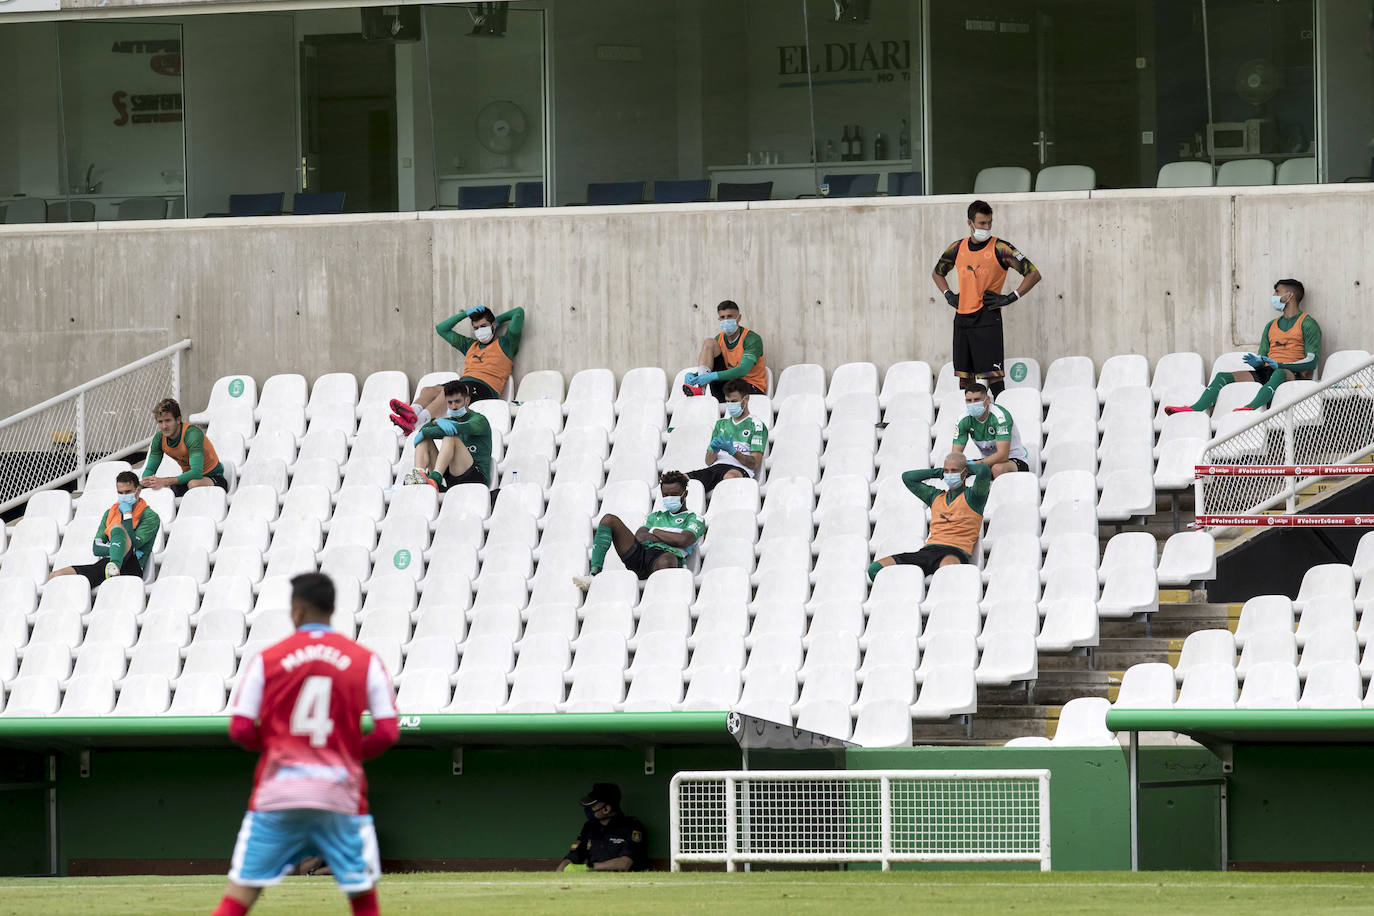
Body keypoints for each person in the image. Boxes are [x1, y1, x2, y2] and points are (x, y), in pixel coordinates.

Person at [210, 573, 398, 916]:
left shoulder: (266, 660)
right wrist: (349, 754)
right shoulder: (364, 660)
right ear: (333, 608)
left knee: (237, 899)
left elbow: (238, 728)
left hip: (278, 794)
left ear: (295, 611)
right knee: (363, 901)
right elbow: (387, 731)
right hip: (339, 793)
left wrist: (272, 746)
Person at [931, 200, 1042, 398]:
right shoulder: (957, 248)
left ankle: (1003, 421)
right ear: (970, 223)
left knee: (994, 378)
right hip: (962, 320)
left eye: (990, 223)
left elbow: (1033, 274)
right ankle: (972, 423)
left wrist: (1010, 297)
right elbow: (937, 273)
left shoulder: (1001, 248)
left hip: (987, 319)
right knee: (965, 380)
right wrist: (948, 295)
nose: (987, 227)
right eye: (982, 223)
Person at [1165, 279, 1321, 415]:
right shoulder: (1270, 326)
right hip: (1268, 372)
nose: (1274, 296)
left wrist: (1279, 364)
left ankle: (1251, 408)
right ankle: (1195, 408)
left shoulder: (1307, 323)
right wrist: (1258, 363)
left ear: (1289, 296)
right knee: (1222, 376)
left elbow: (1312, 362)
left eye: (1277, 291)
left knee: (1279, 372)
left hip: (1292, 375)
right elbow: (1262, 356)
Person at [390, 305, 524, 433]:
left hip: (486, 389)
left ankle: (416, 423)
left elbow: (518, 312)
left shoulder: (506, 344)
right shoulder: (470, 345)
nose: (480, 331)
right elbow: (441, 329)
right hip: (464, 384)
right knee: (428, 390)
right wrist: (465, 314)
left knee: (450, 392)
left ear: (493, 326)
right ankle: (411, 413)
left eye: (483, 326)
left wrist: (497, 320)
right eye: (476, 328)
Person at [573, 471, 704, 590]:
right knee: (609, 520)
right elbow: (640, 536)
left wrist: (655, 531)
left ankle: (658, 596)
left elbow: (684, 540)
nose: (669, 498)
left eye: (674, 494)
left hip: (665, 558)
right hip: (641, 554)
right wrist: (671, 537)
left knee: (668, 559)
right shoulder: (655, 516)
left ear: (685, 494)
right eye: (665, 495)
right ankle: (594, 575)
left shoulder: (694, 517)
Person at [868, 455, 992, 580]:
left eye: (954, 471)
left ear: (964, 473)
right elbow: (908, 478)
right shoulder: (935, 496)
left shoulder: (974, 497)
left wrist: (965, 466)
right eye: (946, 471)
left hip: (955, 551)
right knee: (875, 569)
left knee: (948, 571)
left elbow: (984, 470)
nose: (949, 475)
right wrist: (938, 472)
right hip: (928, 551)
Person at [48, 471, 160, 587]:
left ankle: (114, 569)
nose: (124, 496)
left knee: (117, 527)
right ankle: (113, 569)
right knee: (55, 576)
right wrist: (117, 548)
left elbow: (134, 544)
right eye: (120, 493)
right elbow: (96, 548)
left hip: (132, 566)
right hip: (107, 564)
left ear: (138, 490)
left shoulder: (150, 516)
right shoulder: (110, 513)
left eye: (128, 492)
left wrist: (127, 515)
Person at [401, 380, 492, 492]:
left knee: (450, 437)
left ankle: (436, 477)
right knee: (425, 440)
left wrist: (429, 429)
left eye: (457, 401)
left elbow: (457, 429)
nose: (453, 407)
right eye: (450, 402)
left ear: (467, 400)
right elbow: (426, 428)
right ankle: (419, 474)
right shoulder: (448, 421)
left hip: (476, 477)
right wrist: (435, 422)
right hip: (452, 475)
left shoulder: (479, 420)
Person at [686, 380, 768, 494]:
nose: (730, 405)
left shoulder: (757, 426)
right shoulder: (720, 424)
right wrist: (713, 450)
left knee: (729, 478)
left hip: (739, 469)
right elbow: (708, 462)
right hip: (715, 468)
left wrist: (733, 451)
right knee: (679, 479)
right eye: (728, 402)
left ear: (746, 398)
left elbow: (754, 463)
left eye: (734, 401)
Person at [682, 300, 768, 401]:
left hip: (750, 388)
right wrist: (695, 376)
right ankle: (701, 389)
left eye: (730, 316)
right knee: (709, 343)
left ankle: (701, 389)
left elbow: (743, 370)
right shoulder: (719, 339)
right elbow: (711, 368)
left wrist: (712, 376)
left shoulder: (751, 338)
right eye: (722, 317)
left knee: (719, 378)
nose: (726, 320)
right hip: (728, 386)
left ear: (739, 318)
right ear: (718, 318)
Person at [140, 398, 228, 494]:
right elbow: (150, 469)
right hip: (188, 479)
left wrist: (165, 481)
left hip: (214, 478)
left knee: (193, 484)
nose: (164, 426)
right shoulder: (159, 438)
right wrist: (146, 482)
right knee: (157, 489)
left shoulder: (192, 434)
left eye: (168, 421)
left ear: (178, 420)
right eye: (160, 422)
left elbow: (196, 473)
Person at [555, 783, 648, 873]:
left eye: (592, 805)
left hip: (623, 883)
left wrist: (588, 868)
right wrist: (561, 869)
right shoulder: (589, 826)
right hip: (591, 881)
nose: (589, 809)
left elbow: (624, 864)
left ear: (606, 809)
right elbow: (574, 855)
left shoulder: (632, 826)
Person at [953, 383, 1029, 478]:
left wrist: (976, 464)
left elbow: (1003, 455)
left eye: (976, 400)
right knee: (956, 468)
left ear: (987, 400)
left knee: (997, 468)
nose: (972, 404)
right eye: (969, 401)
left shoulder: (1000, 417)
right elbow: (955, 454)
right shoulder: (963, 420)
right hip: (987, 462)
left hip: (1013, 459)